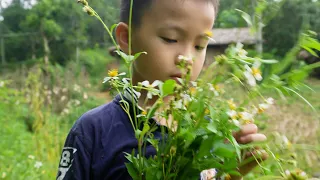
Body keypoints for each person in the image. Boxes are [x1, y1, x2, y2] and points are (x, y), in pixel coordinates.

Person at [56, 0, 268, 179]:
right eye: (170, 39)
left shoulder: (205, 131)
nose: (186, 58)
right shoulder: (93, 131)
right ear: (126, 38)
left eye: (200, 46)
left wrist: (227, 174)